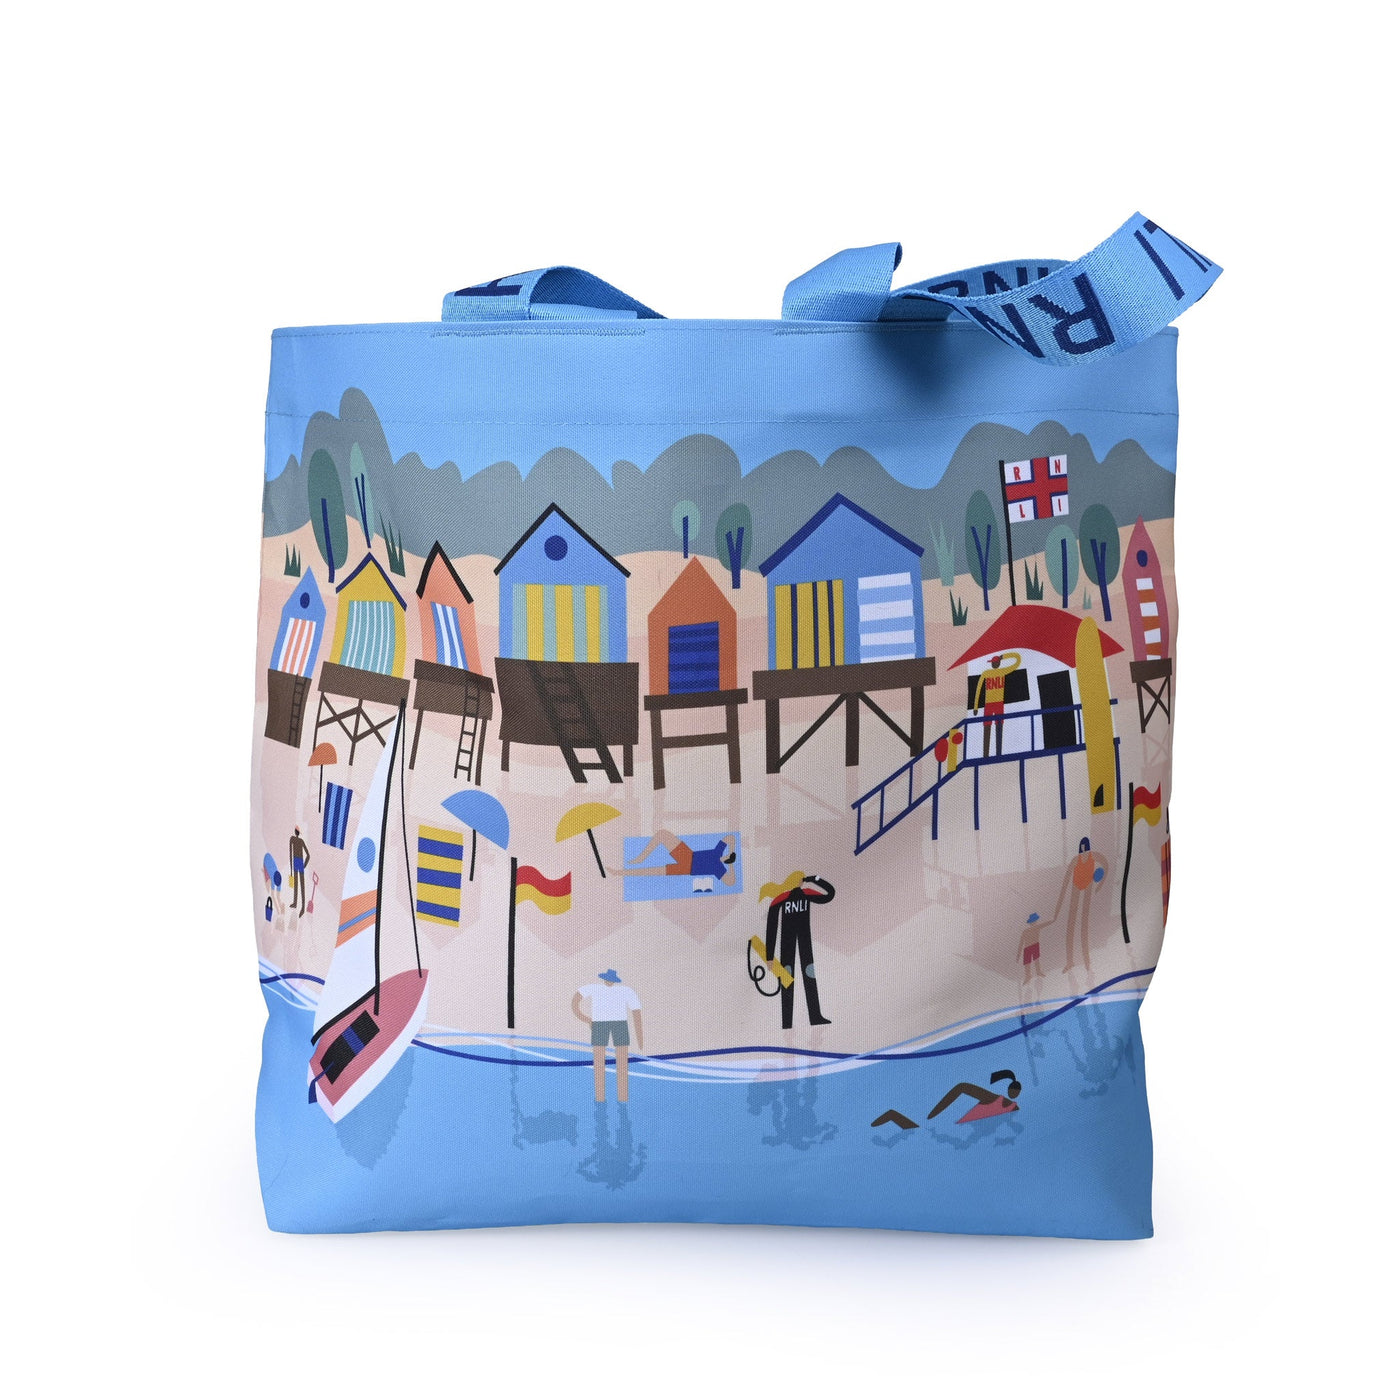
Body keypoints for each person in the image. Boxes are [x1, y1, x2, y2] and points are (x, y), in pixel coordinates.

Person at [761, 873, 834, 1030]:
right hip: (794, 942)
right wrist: (814, 879)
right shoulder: (796, 895)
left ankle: (806, 1018)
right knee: (800, 976)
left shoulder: (786, 897)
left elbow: (771, 927)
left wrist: (769, 956)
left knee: (796, 976)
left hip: (795, 942)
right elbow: (830, 894)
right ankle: (795, 1020)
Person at [572, 970, 643, 1104]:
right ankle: (601, 1099)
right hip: (600, 1024)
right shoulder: (594, 988)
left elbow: (636, 1011)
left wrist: (640, 1037)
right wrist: (587, 1019)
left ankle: (622, 1099)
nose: (609, 981)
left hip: (619, 1024)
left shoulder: (625, 991)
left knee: (622, 1062)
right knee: (599, 1061)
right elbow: (575, 1001)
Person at [1047, 837, 1109, 974]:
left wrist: (1100, 883)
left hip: (1088, 888)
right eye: (1082, 849)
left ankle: (1087, 962)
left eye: (1085, 849)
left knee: (1084, 925)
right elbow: (1066, 879)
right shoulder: (1076, 860)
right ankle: (1070, 962)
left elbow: (1105, 864)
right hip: (1076, 887)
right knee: (1071, 924)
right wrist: (1058, 906)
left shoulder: (1094, 856)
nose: (1084, 852)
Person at [617, 829, 739, 894]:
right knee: (662, 834)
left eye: (728, 857)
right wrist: (732, 851)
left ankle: (620, 873)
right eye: (729, 856)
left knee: (652, 871)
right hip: (688, 856)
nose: (727, 857)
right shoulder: (718, 852)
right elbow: (730, 837)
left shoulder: (718, 869)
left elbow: (731, 882)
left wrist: (731, 865)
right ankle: (640, 859)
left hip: (687, 869)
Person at [972, 651, 1021, 757]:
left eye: (995, 662)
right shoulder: (991, 672)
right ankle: (988, 755)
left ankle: (995, 755)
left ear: (997, 663)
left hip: (996, 704)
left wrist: (1003, 656)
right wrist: (1003, 657)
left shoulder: (992, 672)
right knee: (990, 728)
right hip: (991, 704)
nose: (994, 664)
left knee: (997, 727)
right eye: (993, 663)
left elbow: (1018, 660)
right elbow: (1017, 660)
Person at [288, 827, 311, 915]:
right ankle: (299, 905)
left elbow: (290, 853)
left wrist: (291, 868)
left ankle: (300, 906)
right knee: (301, 884)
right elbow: (308, 855)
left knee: (298, 884)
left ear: (295, 832)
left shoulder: (292, 839)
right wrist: (304, 865)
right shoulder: (300, 841)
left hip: (296, 862)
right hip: (299, 862)